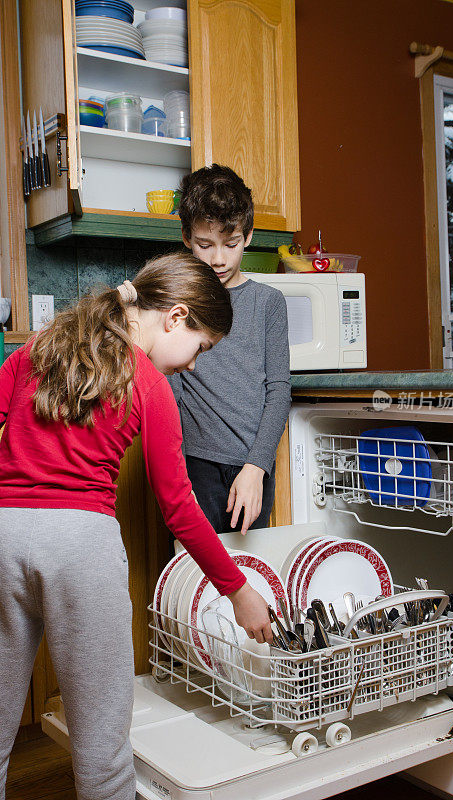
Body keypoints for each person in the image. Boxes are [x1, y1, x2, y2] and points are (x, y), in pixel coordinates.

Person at [0, 253, 272, 800]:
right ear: (174, 317)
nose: (194, 364)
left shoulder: (40, 347)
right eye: (201, 347)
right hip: (81, 547)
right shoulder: (149, 382)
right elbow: (180, 508)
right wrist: (238, 589)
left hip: (5, 534)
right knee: (103, 755)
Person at [170, 164, 291, 535]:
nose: (218, 259)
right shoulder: (177, 300)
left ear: (249, 236)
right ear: (187, 237)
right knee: (194, 580)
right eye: (205, 245)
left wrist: (257, 467)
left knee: (249, 575)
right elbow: (168, 384)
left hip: (254, 469)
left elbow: (279, 389)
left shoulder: (268, 303)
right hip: (194, 465)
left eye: (231, 244)